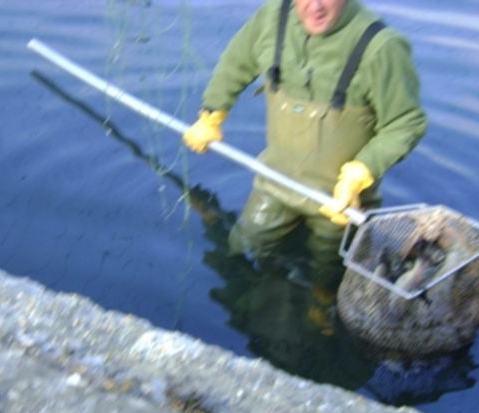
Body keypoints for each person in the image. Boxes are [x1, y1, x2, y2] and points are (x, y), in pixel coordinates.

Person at [182, 0, 427, 290]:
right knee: (240, 249)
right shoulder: (272, 18)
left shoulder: (382, 47)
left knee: (327, 276)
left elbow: (406, 123)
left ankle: (320, 308)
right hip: (276, 181)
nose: (315, 6)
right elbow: (236, 62)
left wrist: (362, 170)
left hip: (339, 203)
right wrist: (213, 113)